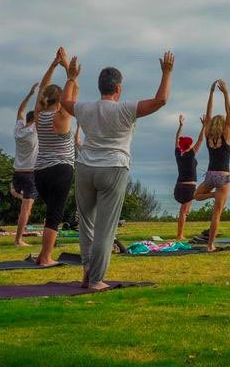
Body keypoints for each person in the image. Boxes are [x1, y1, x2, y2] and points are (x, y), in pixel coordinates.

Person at [61, 52, 174, 289]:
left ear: (100, 87)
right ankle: (96, 280)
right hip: (113, 167)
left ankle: (87, 269)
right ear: (118, 89)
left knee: (86, 223)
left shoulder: (86, 108)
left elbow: (64, 103)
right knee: (106, 228)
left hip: (85, 167)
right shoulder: (125, 109)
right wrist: (166, 72)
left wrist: (71, 78)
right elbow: (160, 101)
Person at [31, 49, 81, 266]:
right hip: (60, 169)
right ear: (60, 100)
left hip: (40, 172)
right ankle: (46, 258)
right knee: (55, 215)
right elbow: (74, 92)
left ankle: (44, 253)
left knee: (51, 213)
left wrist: (53, 65)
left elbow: (42, 89)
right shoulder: (63, 116)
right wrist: (68, 70)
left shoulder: (39, 115)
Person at [193, 80, 230, 252]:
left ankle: (211, 196)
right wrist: (225, 92)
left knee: (196, 195)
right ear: (223, 125)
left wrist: (210, 93)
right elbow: (229, 112)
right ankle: (210, 245)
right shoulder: (226, 135)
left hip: (210, 175)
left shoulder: (209, 136)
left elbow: (207, 116)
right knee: (216, 214)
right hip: (223, 177)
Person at [10, 83, 40, 247]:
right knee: (26, 209)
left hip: (18, 172)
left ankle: (15, 190)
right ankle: (18, 240)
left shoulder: (18, 130)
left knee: (25, 200)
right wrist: (41, 95)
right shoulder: (34, 130)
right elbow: (38, 112)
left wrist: (30, 93)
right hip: (30, 174)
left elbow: (20, 111)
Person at [173, 114, 205, 241]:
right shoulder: (191, 154)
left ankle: (180, 233)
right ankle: (179, 234)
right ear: (189, 146)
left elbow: (176, 139)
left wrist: (180, 126)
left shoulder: (178, 154)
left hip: (179, 186)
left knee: (184, 211)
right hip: (188, 188)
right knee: (184, 211)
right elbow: (201, 140)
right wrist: (204, 127)